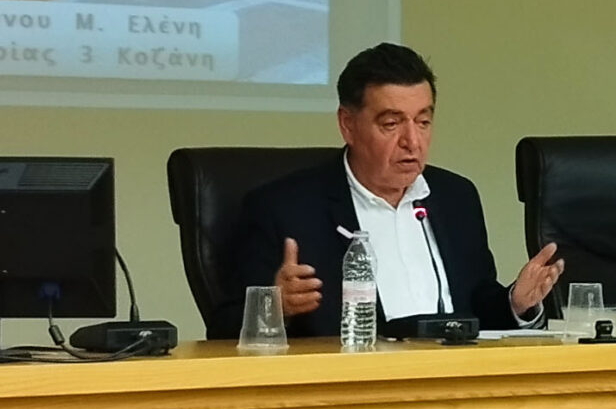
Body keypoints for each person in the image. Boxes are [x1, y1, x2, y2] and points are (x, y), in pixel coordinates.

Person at [225, 44, 562, 338]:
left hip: (453, 379)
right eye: (391, 123)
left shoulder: (455, 197)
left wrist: (515, 303)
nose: (412, 141)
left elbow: (475, 308)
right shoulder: (285, 209)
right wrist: (274, 307)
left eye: (423, 122)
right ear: (347, 125)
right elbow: (222, 327)